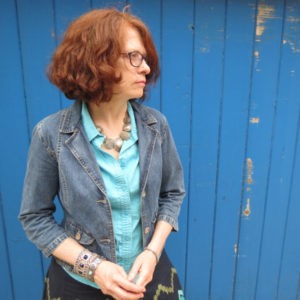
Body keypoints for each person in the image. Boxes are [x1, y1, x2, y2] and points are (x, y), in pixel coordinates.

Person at [19, 7, 185, 300]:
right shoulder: (51, 135)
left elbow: (173, 194)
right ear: (96, 61)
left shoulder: (156, 126)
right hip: (77, 286)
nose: (145, 67)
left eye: (145, 58)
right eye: (134, 56)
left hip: (150, 279)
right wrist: (94, 267)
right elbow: (35, 217)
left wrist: (152, 252)